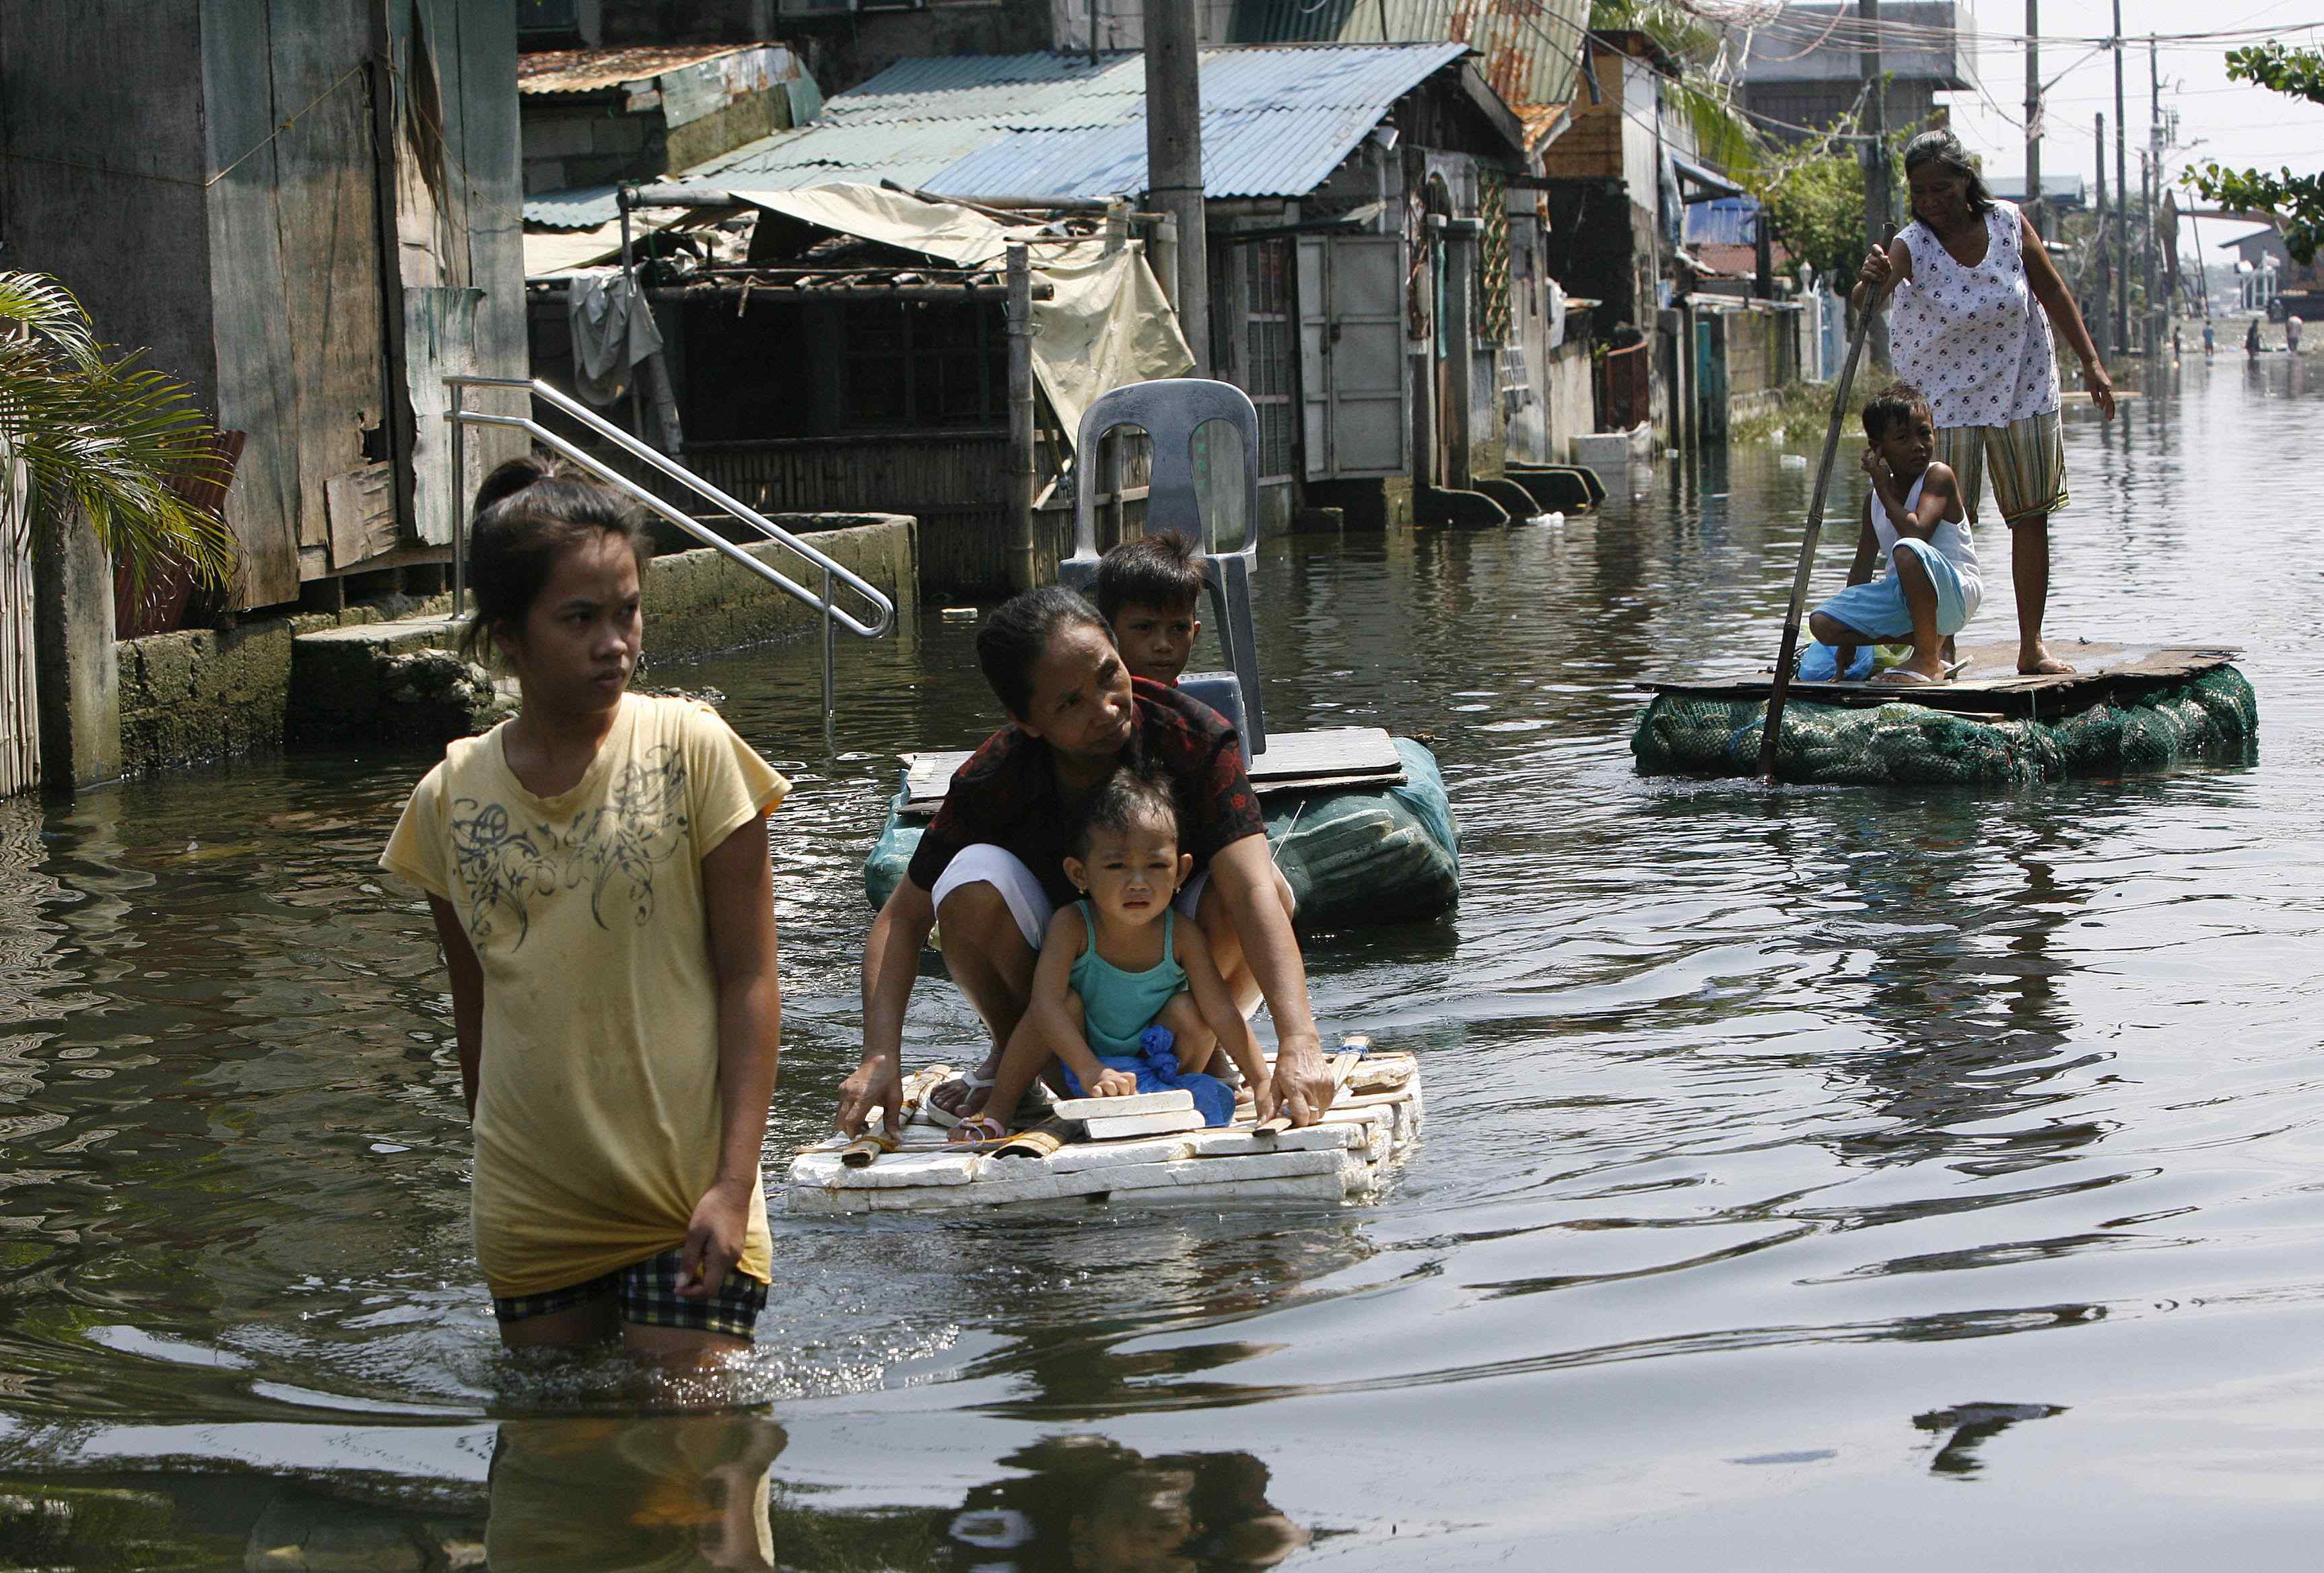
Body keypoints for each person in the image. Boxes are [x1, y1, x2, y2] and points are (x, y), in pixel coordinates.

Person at [381, 457, 787, 1363]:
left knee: (695, 1461)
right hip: (536, 1207)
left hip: (686, 1192)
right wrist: (496, 1178)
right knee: (557, 1471)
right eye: (581, 619)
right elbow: (475, 1009)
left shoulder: (695, 750)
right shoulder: (450, 799)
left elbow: (750, 979)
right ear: (507, 639)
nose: (616, 642)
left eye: (628, 612)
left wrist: (733, 1182)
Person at [836, 587, 1336, 1135]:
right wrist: (879, 1054)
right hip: (1056, 1003)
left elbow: (1254, 895)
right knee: (966, 884)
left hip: (1184, 991)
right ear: (1026, 720)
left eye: (1108, 674)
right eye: (1069, 703)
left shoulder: (1194, 737)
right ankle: (1019, 1059)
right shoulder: (995, 775)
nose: (1105, 708)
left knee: (1260, 881)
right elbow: (903, 917)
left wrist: (1299, 1040)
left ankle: (1206, 1050)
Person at [1857, 129, 2115, 677]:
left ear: (1966, 182)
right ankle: (1940, 647)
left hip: (2022, 383)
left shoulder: (2006, 222)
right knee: (1946, 523)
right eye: (1920, 192)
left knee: (2030, 514)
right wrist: (1869, 283)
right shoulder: (1911, 242)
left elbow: (2052, 289)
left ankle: (2032, 646)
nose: (1932, 203)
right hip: (1941, 398)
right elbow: (1870, 303)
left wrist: (2090, 362)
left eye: (1943, 189)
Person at [951, 768, 1268, 1147]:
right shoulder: (1072, 925)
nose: (1138, 882)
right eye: (1117, 866)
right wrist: (1090, 1070)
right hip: (1080, 1069)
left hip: (1158, 1070)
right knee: (1054, 1005)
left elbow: (1220, 1010)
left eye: (1156, 865)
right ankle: (999, 1112)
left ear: (1180, 870)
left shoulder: (1182, 934)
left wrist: (1263, 1080)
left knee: (1192, 1007)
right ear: (1080, 873)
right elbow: (1046, 1007)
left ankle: (1160, 1100)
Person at [1808, 384, 1978, 687]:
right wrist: (1849, 643)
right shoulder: (1873, 501)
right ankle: (1932, 642)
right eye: (1903, 438)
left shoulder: (1938, 477)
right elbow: (1861, 569)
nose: (1918, 445)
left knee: (1907, 550)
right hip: (1906, 598)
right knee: (1822, 622)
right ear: (1878, 448)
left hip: (1955, 593)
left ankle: (1928, 661)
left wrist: (1884, 488)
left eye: (1925, 434)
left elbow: (1916, 532)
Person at [1097, 530, 1205, 685]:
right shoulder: (1102, 707)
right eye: (1144, 627)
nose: (1163, 645)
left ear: (1195, 635)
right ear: (1105, 633)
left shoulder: (1179, 707)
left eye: (1179, 628)